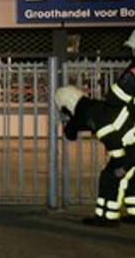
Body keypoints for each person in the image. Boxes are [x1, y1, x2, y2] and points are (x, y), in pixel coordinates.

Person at [54, 29, 135, 227]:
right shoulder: (93, 110)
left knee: (111, 176)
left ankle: (106, 217)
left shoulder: (96, 114)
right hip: (130, 137)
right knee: (131, 177)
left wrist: (120, 163)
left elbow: (110, 136)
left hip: (128, 142)